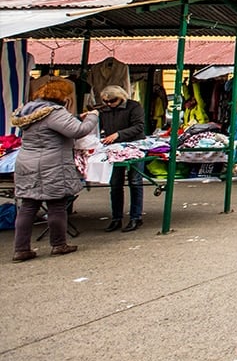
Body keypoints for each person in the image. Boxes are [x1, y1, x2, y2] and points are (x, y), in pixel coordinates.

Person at [11, 76, 99, 261]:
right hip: (51, 163)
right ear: (62, 95)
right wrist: (92, 117)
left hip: (26, 161)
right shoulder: (55, 112)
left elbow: (51, 127)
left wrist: (75, 118)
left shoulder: (28, 110)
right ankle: (59, 244)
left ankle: (21, 249)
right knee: (57, 204)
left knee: (28, 206)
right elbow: (78, 131)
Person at [99, 85, 147, 233]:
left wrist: (118, 134)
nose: (109, 104)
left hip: (135, 145)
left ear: (121, 97)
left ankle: (135, 217)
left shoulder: (134, 107)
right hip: (114, 148)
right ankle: (116, 218)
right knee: (115, 184)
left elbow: (139, 126)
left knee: (135, 181)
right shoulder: (104, 110)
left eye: (112, 101)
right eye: (106, 101)